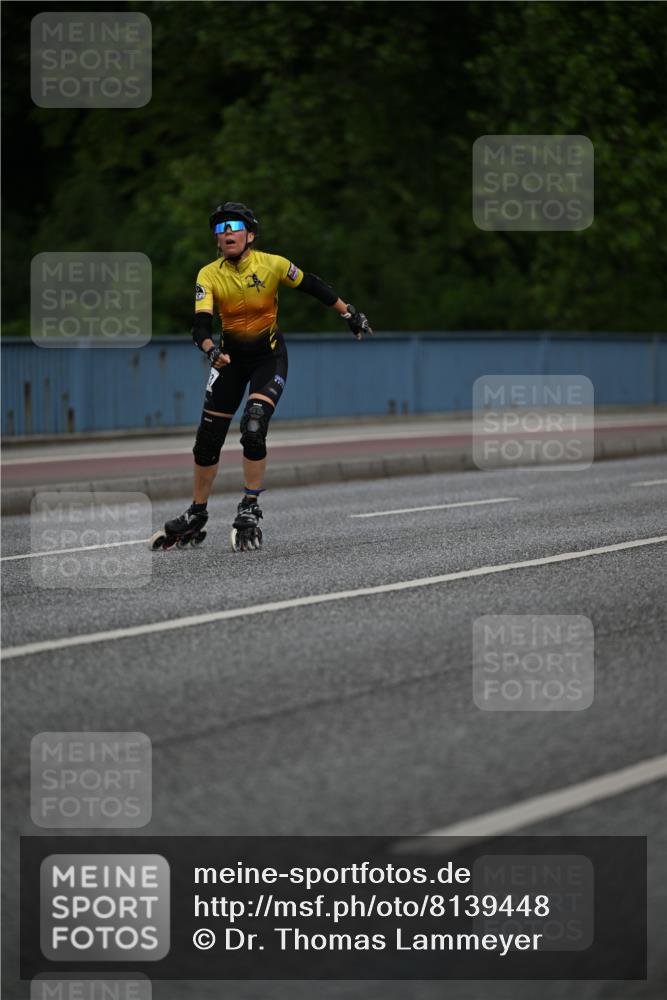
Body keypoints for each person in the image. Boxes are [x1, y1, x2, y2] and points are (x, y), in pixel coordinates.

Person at [151, 201, 373, 552]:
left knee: (253, 424)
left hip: (268, 358)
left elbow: (314, 286)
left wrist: (349, 313)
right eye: (219, 228)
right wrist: (211, 350)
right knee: (208, 439)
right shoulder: (208, 274)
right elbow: (200, 326)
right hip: (228, 361)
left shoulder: (273, 265)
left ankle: (250, 506)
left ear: (250, 234)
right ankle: (197, 513)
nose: (226, 234)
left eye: (233, 226)